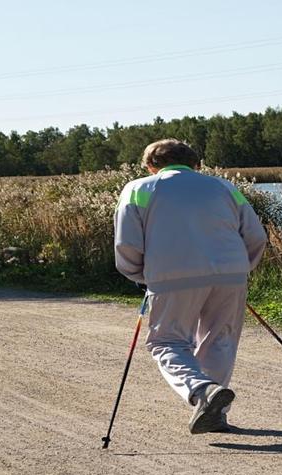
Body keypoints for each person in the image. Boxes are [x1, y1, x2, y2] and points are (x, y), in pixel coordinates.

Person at [114, 139, 268, 434]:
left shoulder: (138, 188)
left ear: (150, 166)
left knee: (166, 342)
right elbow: (255, 236)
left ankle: (202, 390)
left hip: (171, 274)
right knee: (219, 340)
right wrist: (239, 269)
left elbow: (126, 243)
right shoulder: (225, 188)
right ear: (196, 165)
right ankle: (215, 411)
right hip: (230, 273)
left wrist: (141, 275)